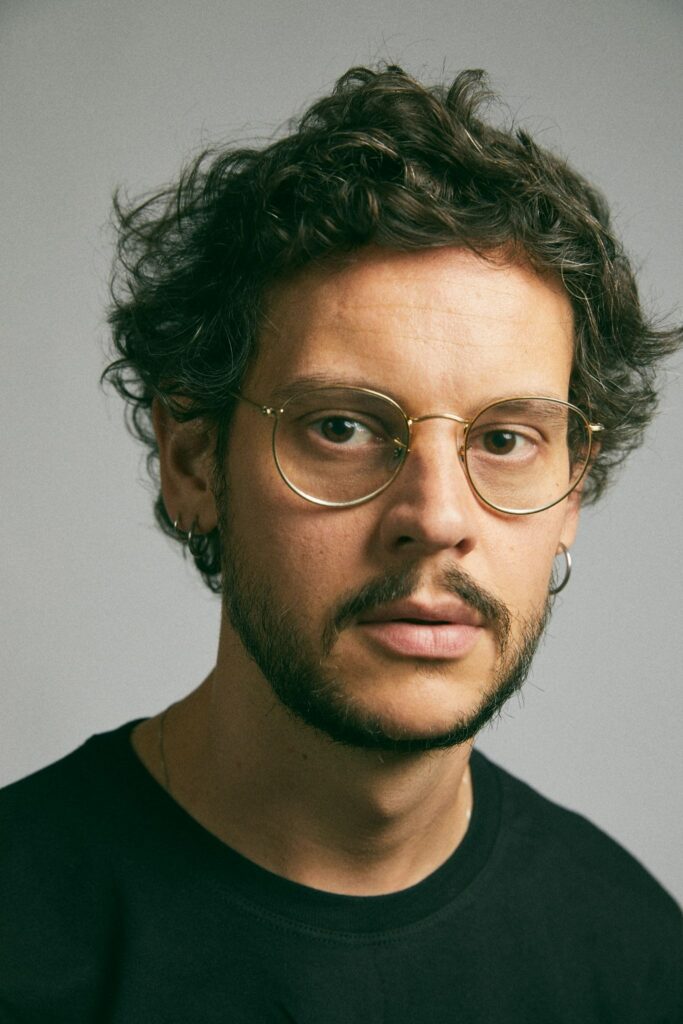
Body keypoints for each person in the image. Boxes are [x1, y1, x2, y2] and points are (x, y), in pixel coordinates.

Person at [1, 65, 680, 1023]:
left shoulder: (635, 960)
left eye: (504, 440)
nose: (436, 518)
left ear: (572, 491)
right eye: (342, 427)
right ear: (193, 463)